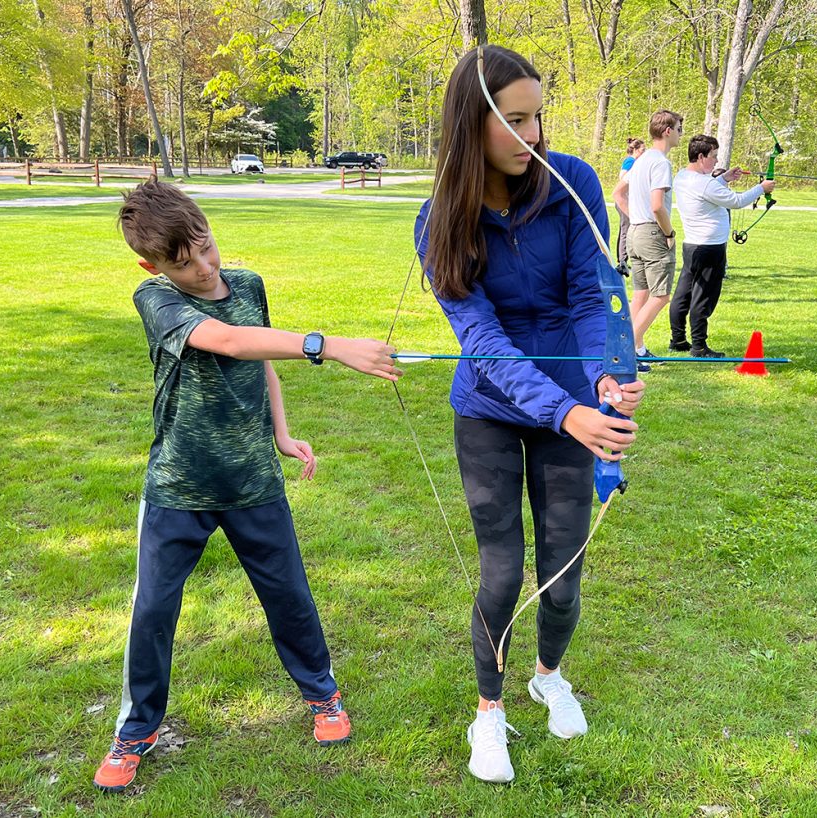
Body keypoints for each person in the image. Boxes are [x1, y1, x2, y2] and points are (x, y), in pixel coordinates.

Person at [93, 180, 401, 793]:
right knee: (153, 608)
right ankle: (135, 731)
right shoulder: (153, 297)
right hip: (179, 484)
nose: (204, 268)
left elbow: (259, 357)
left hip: (253, 479)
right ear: (153, 265)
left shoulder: (249, 285)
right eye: (184, 263)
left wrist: (282, 435)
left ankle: (323, 695)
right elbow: (226, 340)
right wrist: (329, 345)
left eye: (206, 248)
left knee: (288, 593)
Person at [414, 45, 646, 784]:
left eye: (537, 116)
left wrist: (610, 375)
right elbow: (482, 341)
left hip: (575, 407)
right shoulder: (438, 221)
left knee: (564, 571)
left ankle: (548, 674)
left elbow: (591, 295)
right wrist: (565, 411)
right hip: (488, 409)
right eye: (514, 121)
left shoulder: (569, 182)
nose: (534, 135)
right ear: (469, 127)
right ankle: (489, 713)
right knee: (502, 572)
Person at [669, 135, 775, 357]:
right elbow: (735, 201)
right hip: (710, 248)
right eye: (713, 157)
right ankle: (699, 346)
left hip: (692, 246)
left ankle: (678, 339)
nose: (716, 162)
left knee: (684, 293)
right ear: (701, 156)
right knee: (703, 296)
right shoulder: (705, 183)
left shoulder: (682, 176)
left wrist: (724, 178)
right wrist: (761, 188)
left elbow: (706, 191)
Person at [612, 109, 683, 371]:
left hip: (634, 233)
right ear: (667, 131)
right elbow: (657, 206)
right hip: (653, 233)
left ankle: (634, 348)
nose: (680, 134)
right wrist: (668, 233)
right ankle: (626, 351)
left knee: (640, 294)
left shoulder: (640, 160)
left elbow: (618, 194)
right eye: (678, 129)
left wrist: (635, 218)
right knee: (661, 296)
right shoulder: (660, 163)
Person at [613, 138, 645, 273]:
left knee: (624, 229)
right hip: (624, 200)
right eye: (643, 150)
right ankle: (622, 262)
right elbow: (623, 176)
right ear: (636, 150)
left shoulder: (635, 162)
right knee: (626, 230)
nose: (644, 153)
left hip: (627, 200)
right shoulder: (630, 161)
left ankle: (621, 259)